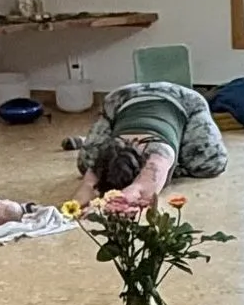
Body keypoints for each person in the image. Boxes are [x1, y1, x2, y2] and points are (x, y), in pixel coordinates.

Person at [71, 83, 228, 216]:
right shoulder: (103, 154)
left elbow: (141, 191)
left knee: (210, 164)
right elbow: (86, 188)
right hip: (122, 99)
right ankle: (86, 140)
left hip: (183, 100)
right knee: (85, 163)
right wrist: (73, 209)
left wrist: (115, 204)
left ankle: (180, 146)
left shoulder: (159, 152)